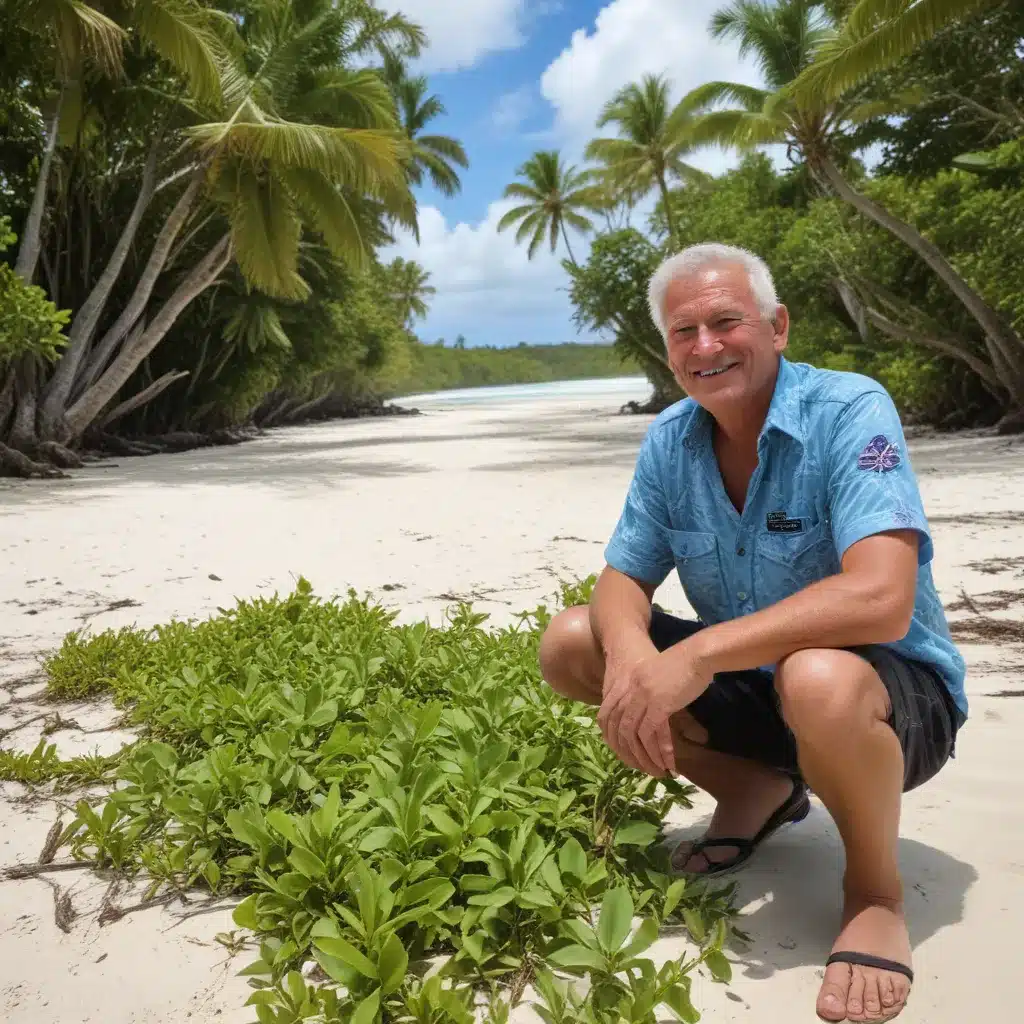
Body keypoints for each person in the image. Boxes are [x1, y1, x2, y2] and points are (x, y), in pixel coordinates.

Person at [537, 243, 967, 1024]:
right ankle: (756, 788)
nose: (705, 347)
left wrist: (696, 653)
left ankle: (873, 890)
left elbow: (882, 598)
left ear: (777, 327)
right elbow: (620, 577)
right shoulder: (671, 439)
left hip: (891, 704)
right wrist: (634, 659)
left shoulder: (849, 409)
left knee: (816, 676)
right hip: (766, 693)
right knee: (573, 641)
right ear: (666, 351)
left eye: (726, 322)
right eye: (682, 332)